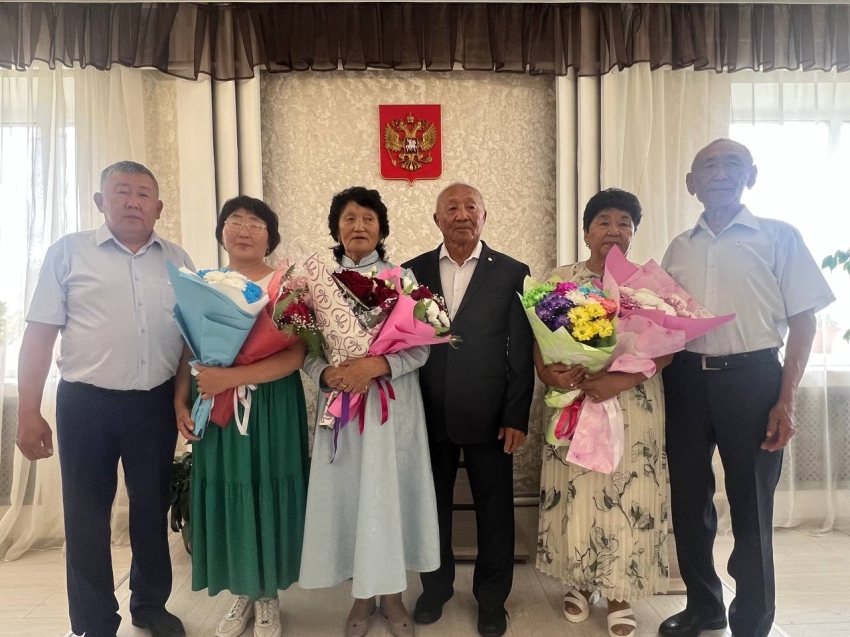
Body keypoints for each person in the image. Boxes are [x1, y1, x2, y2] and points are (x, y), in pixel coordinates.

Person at [660, 139, 835, 637]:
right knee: (689, 502)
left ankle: (754, 621)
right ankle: (703, 607)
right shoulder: (678, 247)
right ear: (691, 183)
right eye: (708, 166)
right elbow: (663, 324)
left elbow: (803, 323)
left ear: (751, 176)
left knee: (752, 505)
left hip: (754, 380)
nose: (719, 173)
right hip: (686, 382)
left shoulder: (779, 237)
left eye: (731, 164)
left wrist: (786, 400)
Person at [16, 161, 192, 637]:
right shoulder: (69, 253)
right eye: (121, 192)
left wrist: (182, 399)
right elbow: (39, 336)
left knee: (152, 509)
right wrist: (28, 411)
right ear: (100, 202)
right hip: (85, 403)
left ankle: (150, 604)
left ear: (158, 206)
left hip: (152, 404)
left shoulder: (178, 260)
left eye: (143, 194)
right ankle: (94, 621)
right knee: (87, 513)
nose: (133, 201)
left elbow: (188, 342)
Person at [299, 186, 440, 637]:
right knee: (352, 497)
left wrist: (377, 365)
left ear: (381, 228)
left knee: (389, 496)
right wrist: (327, 374)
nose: (358, 226)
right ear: (336, 228)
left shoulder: (404, 280)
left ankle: (394, 596)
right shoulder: (312, 280)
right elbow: (302, 348)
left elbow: (422, 350)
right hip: (340, 407)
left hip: (391, 407)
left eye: (368, 219)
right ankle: (361, 597)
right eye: (349, 218)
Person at [535, 188, 671, 637]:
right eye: (604, 221)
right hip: (575, 399)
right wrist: (551, 374)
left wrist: (621, 378)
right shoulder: (560, 279)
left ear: (634, 232)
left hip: (632, 403)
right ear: (587, 230)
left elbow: (669, 347)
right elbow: (539, 340)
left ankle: (619, 591)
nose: (614, 231)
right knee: (576, 490)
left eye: (625, 223)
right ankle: (578, 582)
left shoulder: (649, 284)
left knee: (625, 492)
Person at [402, 183, 535, 637]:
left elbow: (520, 351)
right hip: (426, 414)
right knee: (430, 508)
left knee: (495, 512)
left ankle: (492, 599)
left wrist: (516, 415)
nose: (461, 215)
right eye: (451, 208)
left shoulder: (513, 272)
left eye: (470, 207)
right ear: (436, 219)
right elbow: (400, 345)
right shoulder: (410, 272)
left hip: (492, 416)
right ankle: (435, 589)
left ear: (485, 215)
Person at [175, 196, 310, 637]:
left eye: (255, 223)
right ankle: (243, 591)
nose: (244, 230)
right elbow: (188, 348)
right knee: (231, 486)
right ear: (222, 232)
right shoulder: (202, 283)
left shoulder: (287, 285)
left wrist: (234, 377)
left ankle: (268, 595)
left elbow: (295, 355)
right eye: (234, 221)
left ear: (270, 235)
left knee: (268, 486)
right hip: (216, 404)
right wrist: (182, 399)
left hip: (271, 404)